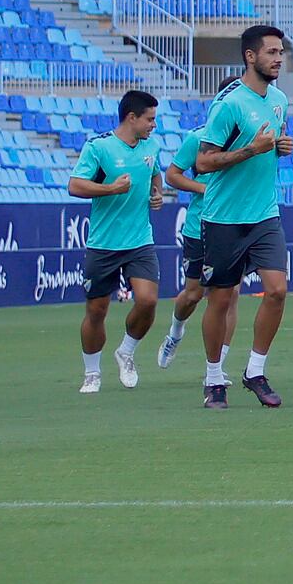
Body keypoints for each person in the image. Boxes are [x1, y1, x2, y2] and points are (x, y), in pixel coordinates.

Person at [195, 25, 293, 409]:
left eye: (281, 51)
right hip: (224, 217)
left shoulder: (279, 100)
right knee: (220, 299)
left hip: (264, 214)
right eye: (271, 52)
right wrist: (252, 150)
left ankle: (255, 370)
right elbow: (203, 162)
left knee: (277, 290)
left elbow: (271, 144)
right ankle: (213, 377)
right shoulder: (228, 104)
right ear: (250, 57)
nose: (278, 58)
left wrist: (279, 149)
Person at [68, 89, 165, 393]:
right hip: (104, 243)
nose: (154, 125)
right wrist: (110, 189)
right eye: (149, 119)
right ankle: (92, 372)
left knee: (148, 301)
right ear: (131, 117)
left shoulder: (152, 146)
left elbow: (154, 173)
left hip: (139, 240)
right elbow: (74, 186)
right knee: (96, 310)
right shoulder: (99, 148)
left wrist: (157, 192)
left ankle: (126, 351)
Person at [157, 84, 233, 373]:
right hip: (200, 224)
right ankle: (175, 332)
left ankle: (217, 365)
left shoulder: (251, 140)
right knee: (193, 293)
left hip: (234, 224)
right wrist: (202, 188)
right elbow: (173, 176)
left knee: (229, 293)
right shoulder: (198, 138)